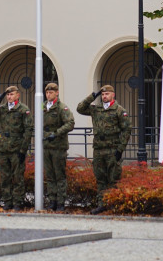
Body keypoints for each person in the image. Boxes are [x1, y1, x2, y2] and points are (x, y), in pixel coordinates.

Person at [77, 84, 131, 214]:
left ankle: (113, 204)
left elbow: (126, 130)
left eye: (107, 94)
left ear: (113, 95)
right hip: (99, 150)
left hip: (112, 150)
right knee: (100, 179)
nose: (104, 96)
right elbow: (80, 108)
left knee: (113, 179)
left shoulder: (119, 110)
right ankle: (102, 205)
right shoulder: (96, 109)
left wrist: (120, 149)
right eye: (102, 94)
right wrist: (92, 96)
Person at [0, 85, 33, 211]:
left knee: (17, 177)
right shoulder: (2, 109)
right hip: (4, 148)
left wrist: (23, 150)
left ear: (18, 95)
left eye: (11, 94)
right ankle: (7, 201)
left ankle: (17, 202)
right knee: (5, 177)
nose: (9, 97)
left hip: (17, 148)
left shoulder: (23, 109)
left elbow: (28, 131)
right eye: (7, 95)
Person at [43, 82, 75, 212]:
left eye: (51, 92)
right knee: (50, 176)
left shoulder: (62, 108)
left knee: (59, 176)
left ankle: (61, 202)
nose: (48, 94)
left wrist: (56, 133)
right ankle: (52, 201)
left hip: (58, 146)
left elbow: (70, 123)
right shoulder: (43, 106)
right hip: (47, 146)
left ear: (57, 93)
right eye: (47, 92)